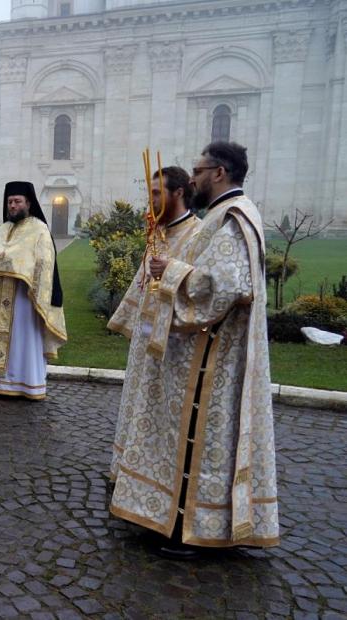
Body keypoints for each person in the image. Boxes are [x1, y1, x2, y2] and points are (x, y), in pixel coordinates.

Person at [110, 142, 279, 556]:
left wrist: (172, 272)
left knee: (203, 439)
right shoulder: (222, 216)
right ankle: (180, 518)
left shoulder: (235, 218)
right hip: (205, 352)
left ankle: (194, 529)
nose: (194, 178)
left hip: (214, 359)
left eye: (199, 170)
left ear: (219, 172)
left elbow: (227, 286)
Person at [107, 166, 201, 487]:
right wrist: (127, 321)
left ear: (179, 193)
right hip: (145, 340)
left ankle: (159, 478)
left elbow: (206, 289)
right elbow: (142, 282)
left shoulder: (200, 234)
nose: (151, 200)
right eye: (149, 193)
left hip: (174, 344)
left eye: (157, 193)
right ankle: (130, 468)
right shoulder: (157, 234)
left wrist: (173, 271)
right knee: (137, 404)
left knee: (163, 413)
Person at [0, 181, 66, 400]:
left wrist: (22, 274)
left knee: (23, 339)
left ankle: (25, 384)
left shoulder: (39, 229)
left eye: (17, 201)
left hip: (24, 297)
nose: (12, 206)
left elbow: (45, 264)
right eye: (9, 202)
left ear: (28, 203)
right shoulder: (3, 229)